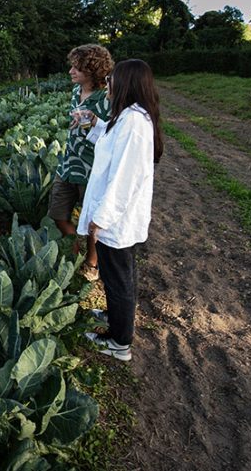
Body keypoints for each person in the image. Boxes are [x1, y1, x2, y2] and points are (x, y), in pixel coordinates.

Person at [78, 59, 164, 362]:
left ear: (125, 83)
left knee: (119, 279)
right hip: (117, 215)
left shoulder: (134, 123)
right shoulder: (128, 118)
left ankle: (119, 342)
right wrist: (94, 124)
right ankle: (115, 317)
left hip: (117, 217)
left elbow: (125, 177)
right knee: (120, 275)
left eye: (111, 79)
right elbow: (111, 145)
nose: (107, 84)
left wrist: (101, 218)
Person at [49, 44, 114, 281]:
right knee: (57, 213)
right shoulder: (76, 93)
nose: (71, 71)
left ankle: (91, 262)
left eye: (77, 68)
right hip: (68, 164)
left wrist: (92, 124)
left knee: (92, 222)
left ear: (92, 70)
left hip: (92, 169)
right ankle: (75, 248)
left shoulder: (107, 98)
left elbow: (111, 136)